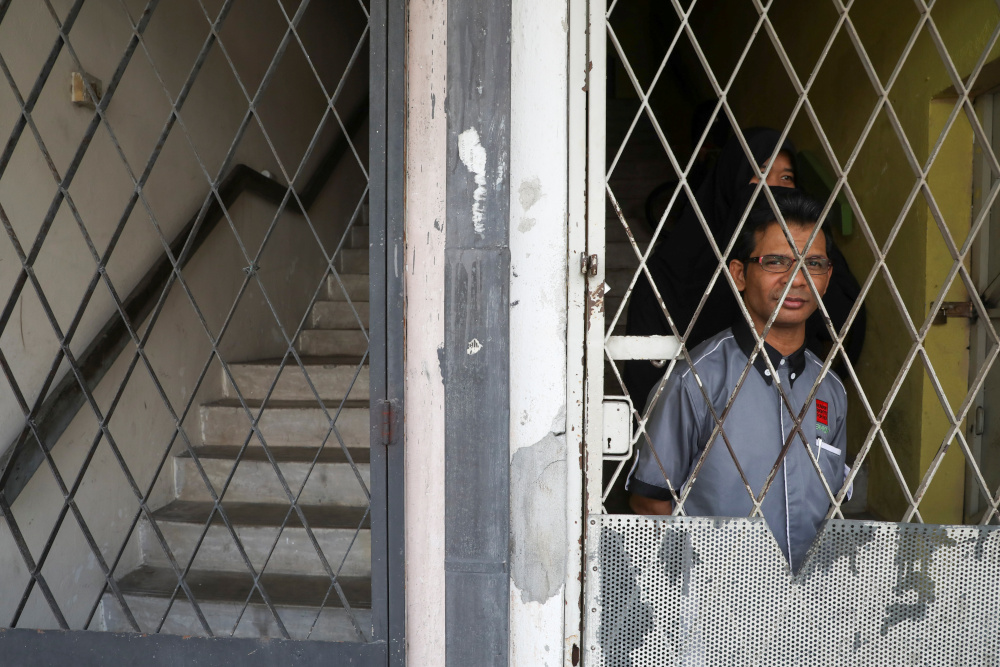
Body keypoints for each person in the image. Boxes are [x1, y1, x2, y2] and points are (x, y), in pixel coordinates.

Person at [626, 189, 848, 571]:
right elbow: (651, 502)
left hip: (806, 606)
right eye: (777, 261)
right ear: (740, 274)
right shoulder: (695, 381)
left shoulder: (830, 388)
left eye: (813, 263)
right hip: (715, 606)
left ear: (827, 279)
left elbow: (832, 503)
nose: (797, 279)